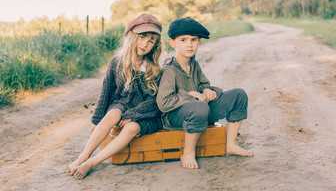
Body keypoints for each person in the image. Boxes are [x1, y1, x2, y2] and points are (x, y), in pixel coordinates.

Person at [64, 14, 163, 179]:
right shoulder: (117, 62)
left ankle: (92, 163)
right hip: (122, 106)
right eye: (142, 37)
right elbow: (106, 92)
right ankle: (83, 157)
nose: (145, 43)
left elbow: (155, 102)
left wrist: (133, 116)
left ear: (155, 45)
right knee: (113, 114)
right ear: (131, 36)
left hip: (146, 114)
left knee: (132, 128)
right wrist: (98, 121)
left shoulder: (154, 68)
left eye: (151, 40)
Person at [156, 17, 253, 169]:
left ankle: (230, 145)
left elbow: (203, 85)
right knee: (199, 106)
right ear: (172, 43)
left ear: (199, 42)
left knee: (239, 94)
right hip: (176, 117)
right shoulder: (169, 69)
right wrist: (192, 95)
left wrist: (208, 90)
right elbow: (163, 102)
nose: (189, 44)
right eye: (183, 40)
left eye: (194, 40)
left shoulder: (194, 64)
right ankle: (188, 153)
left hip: (200, 110)